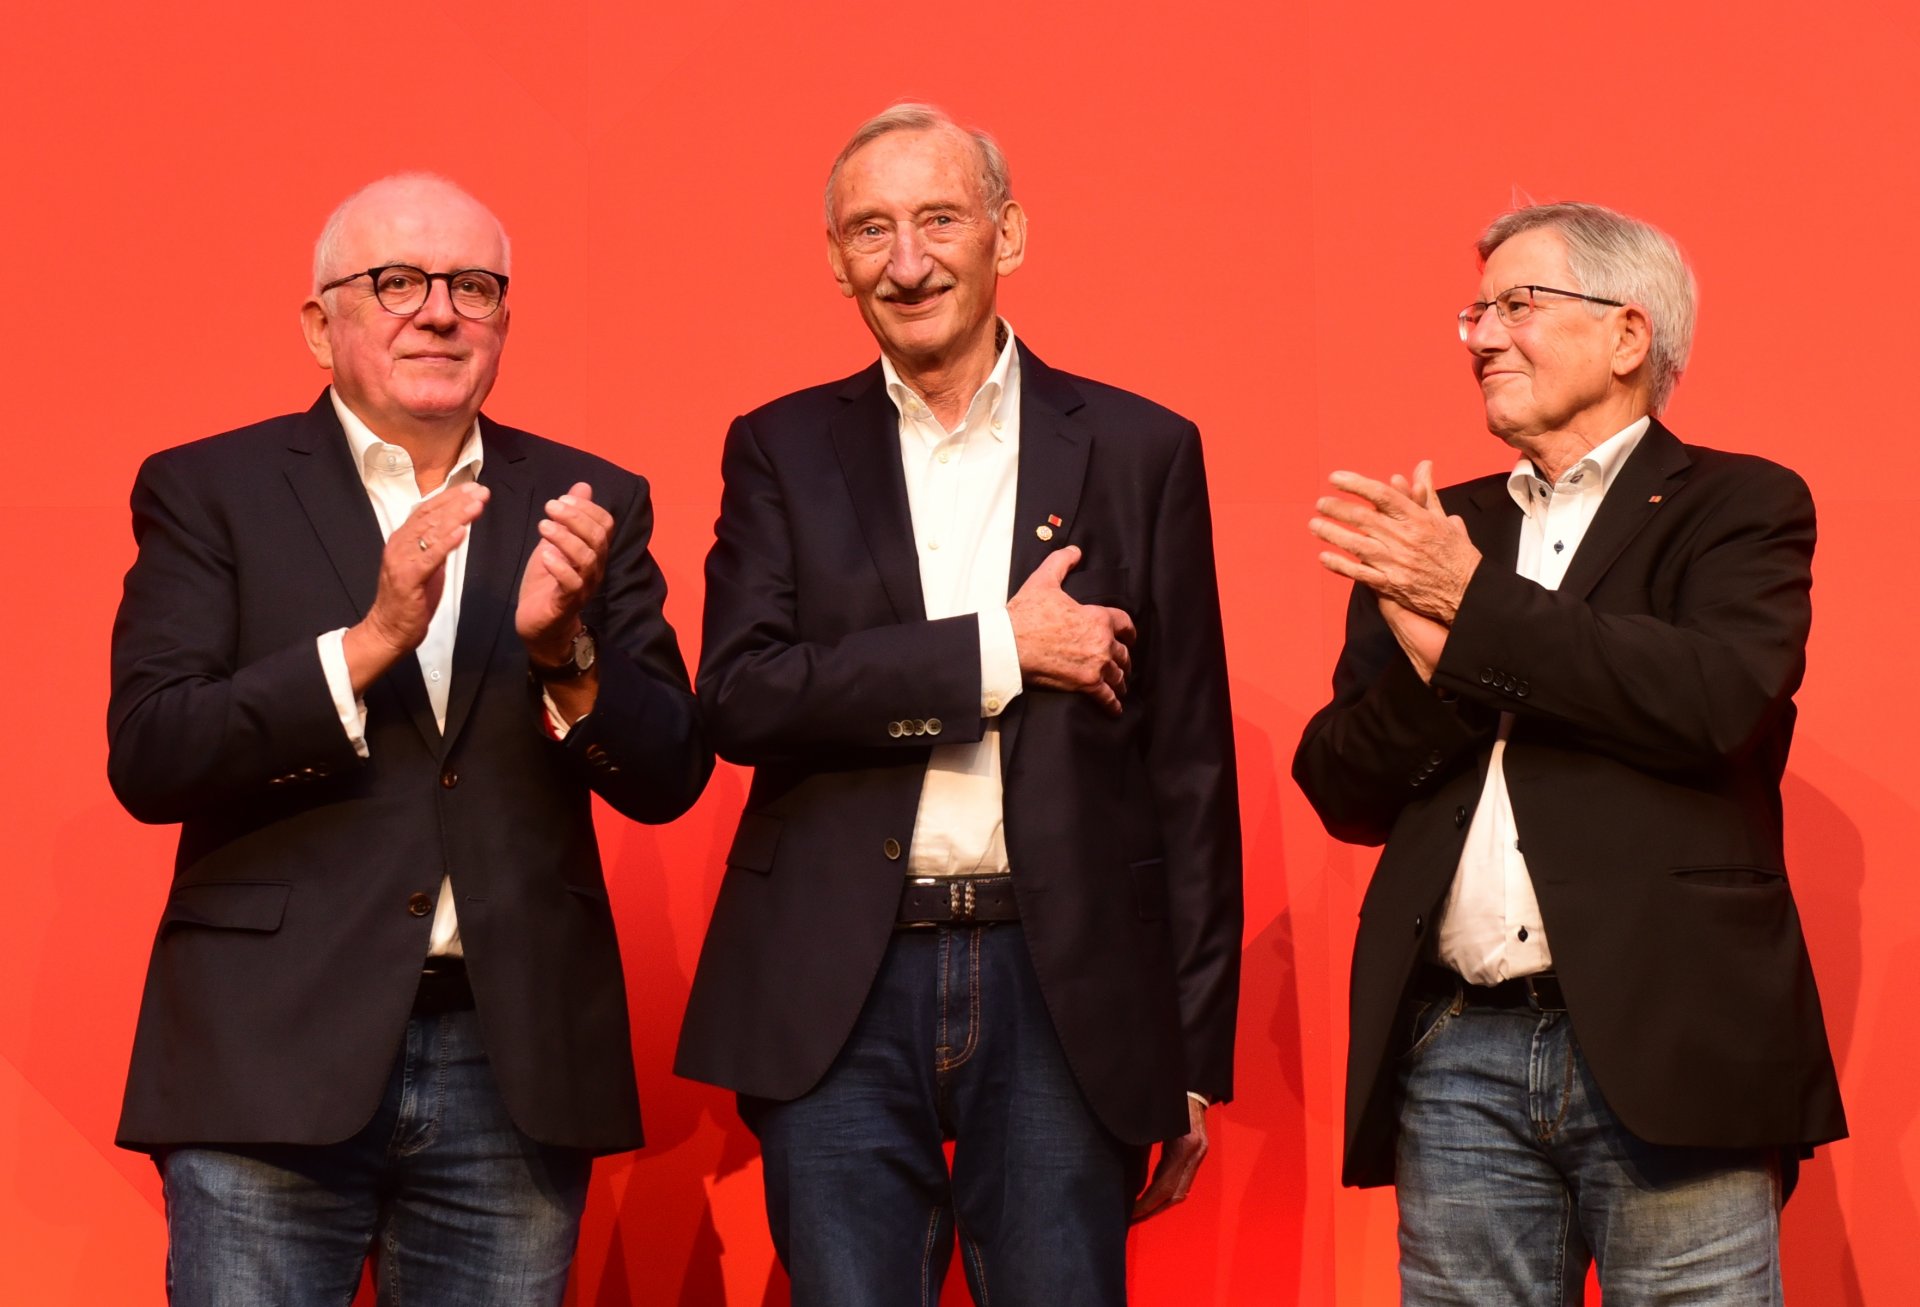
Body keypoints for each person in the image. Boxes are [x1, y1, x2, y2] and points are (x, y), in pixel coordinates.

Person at [107, 173, 712, 1305]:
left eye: (472, 285)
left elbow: (673, 768)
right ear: (318, 321)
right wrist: (372, 639)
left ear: (504, 320)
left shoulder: (590, 501)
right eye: (396, 281)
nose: (438, 310)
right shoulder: (210, 490)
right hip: (266, 1056)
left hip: (513, 1056)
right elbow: (151, 750)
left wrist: (566, 654)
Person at [674, 104, 1243, 1305]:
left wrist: (1193, 1052)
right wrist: (998, 648)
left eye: (938, 219)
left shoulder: (1143, 448)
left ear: (1008, 233)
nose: (907, 259)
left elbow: (1188, 765)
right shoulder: (779, 447)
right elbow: (741, 693)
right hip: (838, 979)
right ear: (835, 261)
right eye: (869, 230)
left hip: (1064, 978)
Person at [1293, 201, 1846, 1304]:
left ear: (1628, 335)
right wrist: (1443, 651)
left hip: (1669, 1036)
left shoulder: (1737, 506)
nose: (1484, 337)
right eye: (1476, 312)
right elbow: (1342, 780)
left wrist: (1472, 613)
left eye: (1518, 304)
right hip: (1459, 1051)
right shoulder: (1438, 529)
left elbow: (1712, 700)